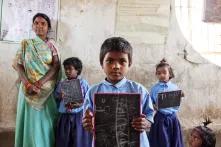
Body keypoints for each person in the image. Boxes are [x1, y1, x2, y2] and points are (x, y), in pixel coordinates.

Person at [82, 37, 154, 147]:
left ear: (129, 64)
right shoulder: (93, 92)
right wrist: (87, 123)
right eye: (110, 61)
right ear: (102, 63)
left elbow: (149, 117)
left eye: (122, 61)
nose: (116, 66)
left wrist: (145, 123)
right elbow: (87, 119)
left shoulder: (140, 90)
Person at [14, 13, 60, 147]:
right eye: (36, 23)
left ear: (48, 28)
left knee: (45, 123)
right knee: (29, 122)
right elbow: (18, 65)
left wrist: (39, 83)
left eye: (43, 23)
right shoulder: (25, 43)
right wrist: (28, 84)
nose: (39, 26)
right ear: (32, 26)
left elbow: (56, 66)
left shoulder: (52, 45)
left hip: (46, 90)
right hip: (27, 89)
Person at [55, 57, 92, 147]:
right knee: (64, 139)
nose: (67, 71)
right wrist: (61, 96)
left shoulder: (83, 83)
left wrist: (81, 103)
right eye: (66, 69)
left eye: (70, 69)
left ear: (77, 70)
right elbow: (56, 96)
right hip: (65, 116)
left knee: (78, 139)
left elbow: (88, 98)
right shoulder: (62, 83)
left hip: (78, 115)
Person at [148, 59, 184, 147]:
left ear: (170, 74)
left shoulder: (175, 88)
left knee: (173, 142)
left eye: (164, 72)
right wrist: (154, 106)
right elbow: (150, 104)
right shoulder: (154, 89)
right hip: (160, 119)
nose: (161, 75)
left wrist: (180, 96)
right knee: (161, 142)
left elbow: (177, 104)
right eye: (159, 73)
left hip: (173, 119)